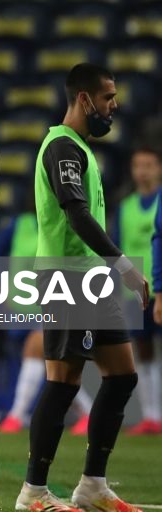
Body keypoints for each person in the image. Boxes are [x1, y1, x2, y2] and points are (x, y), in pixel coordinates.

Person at [11, 63, 147, 512]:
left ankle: (92, 484)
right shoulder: (64, 149)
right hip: (67, 279)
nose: (114, 105)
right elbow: (77, 215)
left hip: (91, 279)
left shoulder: (81, 150)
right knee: (63, 381)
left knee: (123, 375)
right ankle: (33, 491)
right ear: (84, 99)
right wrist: (124, 265)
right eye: (108, 97)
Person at [0, 212, 93, 436]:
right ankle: (88, 414)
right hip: (20, 308)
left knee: (37, 350)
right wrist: (0, 288)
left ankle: (16, 416)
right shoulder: (21, 223)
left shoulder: (68, 224)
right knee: (54, 364)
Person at [116, 147, 161, 435]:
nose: (142, 171)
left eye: (148, 165)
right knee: (142, 350)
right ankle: (151, 415)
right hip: (135, 289)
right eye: (137, 165)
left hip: (160, 283)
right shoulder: (126, 207)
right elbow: (117, 248)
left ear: (158, 168)